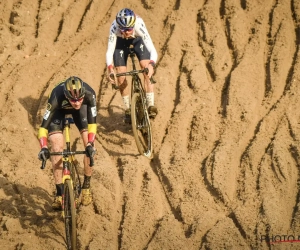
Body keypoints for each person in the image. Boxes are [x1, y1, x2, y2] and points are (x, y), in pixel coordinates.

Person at [37, 76, 97, 210]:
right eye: (73, 100)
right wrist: (44, 147)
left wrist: (89, 144)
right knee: (56, 145)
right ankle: (59, 194)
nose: (76, 103)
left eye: (79, 98)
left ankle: (86, 187)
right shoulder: (56, 96)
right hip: (59, 111)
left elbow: (93, 124)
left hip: (82, 112)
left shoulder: (89, 93)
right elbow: (43, 128)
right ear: (66, 95)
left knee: (90, 145)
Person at [106, 8, 158, 123]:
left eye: (129, 29)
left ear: (133, 25)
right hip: (120, 43)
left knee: (145, 67)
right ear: (119, 26)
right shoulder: (114, 28)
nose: (126, 32)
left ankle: (150, 105)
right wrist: (110, 69)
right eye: (123, 29)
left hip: (137, 40)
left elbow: (153, 50)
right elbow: (109, 51)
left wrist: (151, 65)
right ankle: (128, 109)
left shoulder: (139, 25)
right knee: (120, 75)